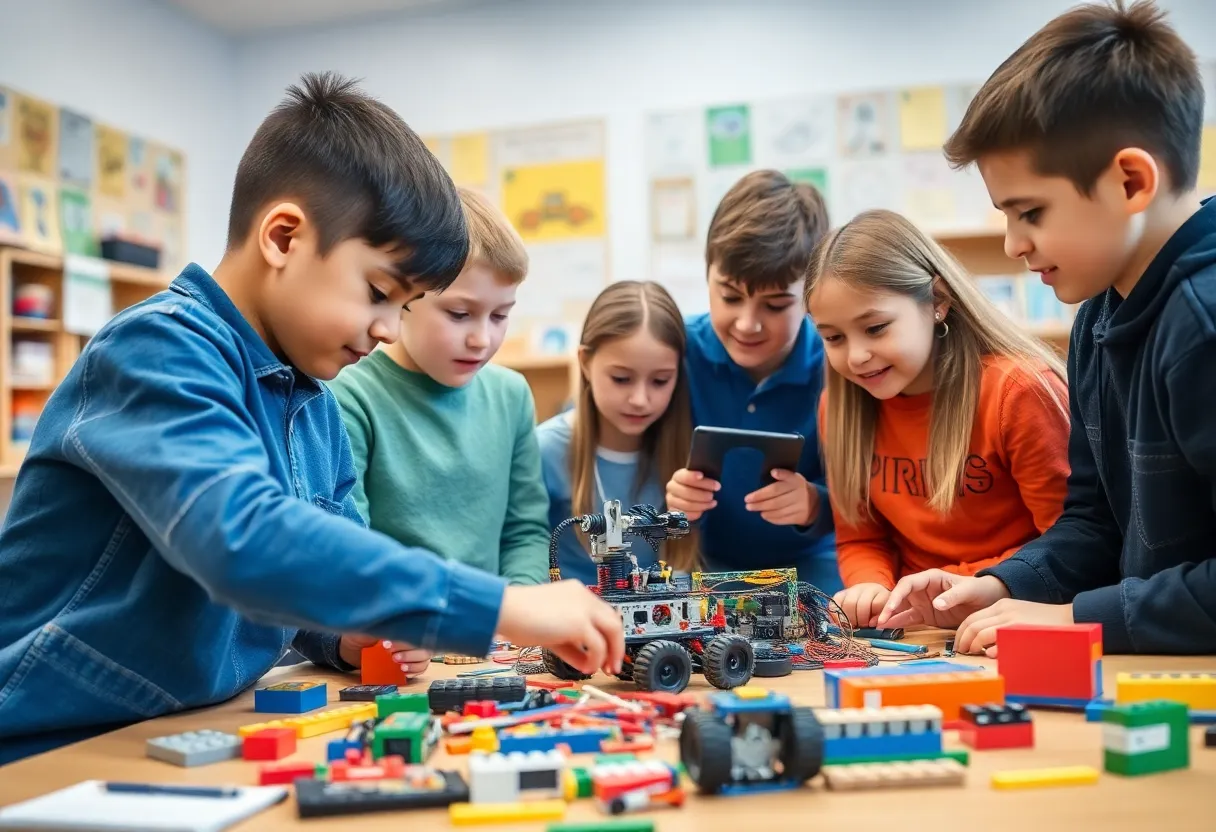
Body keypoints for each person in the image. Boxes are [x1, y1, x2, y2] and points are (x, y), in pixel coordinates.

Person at [0, 72, 622, 765]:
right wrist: (506, 606)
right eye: (381, 293)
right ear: (285, 236)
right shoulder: (155, 350)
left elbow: (318, 574)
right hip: (50, 741)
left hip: (182, 733)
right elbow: (243, 540)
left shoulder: (315, 402)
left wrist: (343, 636)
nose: (389, 329)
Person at [877, 0, 1216, 655]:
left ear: (1130, 181)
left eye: (1029, 212)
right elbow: (1094, 522)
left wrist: (1078, 620)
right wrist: (1003, 585)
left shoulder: (1202, 324)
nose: (1013, 245)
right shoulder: (1097, 317)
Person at [805, 209, 1070, 629]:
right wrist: (868, 587)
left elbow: (1071, 542)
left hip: (1013, 611)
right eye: (833, 337)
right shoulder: (838, 409)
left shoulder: (1018, 392)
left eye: (875, 328)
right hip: (914, 626)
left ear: (938, 302)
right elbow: (861, 537)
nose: (855, 356)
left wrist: (963, 584)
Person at [331, 187, 549, 589]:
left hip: (494, 640)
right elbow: (351, 544)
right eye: (460, 314)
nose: (482, 339)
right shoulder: (350, 396)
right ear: (404, 295)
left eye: (500, 315)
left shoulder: (512, 396)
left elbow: (525, 532)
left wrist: (517, 613)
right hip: (397, 632)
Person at [664, 170, 841, 592]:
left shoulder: (837, 363)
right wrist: (668, 501)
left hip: (811, 566)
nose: (747, 323)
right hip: (700, 564)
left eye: (776, 305)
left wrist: (816, 503)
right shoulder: (676, 351)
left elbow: (876, 501)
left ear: (813, 296)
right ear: (707, 275)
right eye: (729, 297)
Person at [537, 281, 693, 584]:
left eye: (660, 381)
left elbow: (686, 562)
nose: (640, 399)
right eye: (621, 379)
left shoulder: (686, 451)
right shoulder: (544, 450)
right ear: (585, 363)